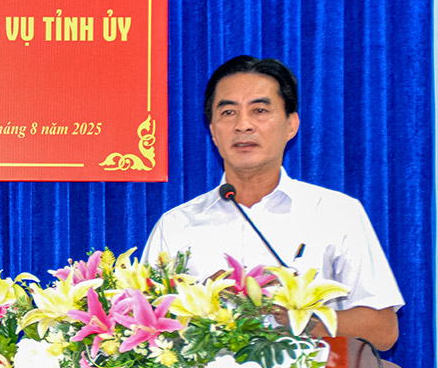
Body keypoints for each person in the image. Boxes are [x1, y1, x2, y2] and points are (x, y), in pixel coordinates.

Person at [141, 56, 402, 350]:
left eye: (260, 110)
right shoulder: (176, 225)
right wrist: (202, 303)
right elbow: (141, 330)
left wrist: (302, 319)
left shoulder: (335, 213)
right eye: (228, 112)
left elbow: (383, 330)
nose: (243, 125)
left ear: (291, 125)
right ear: (213, 131)